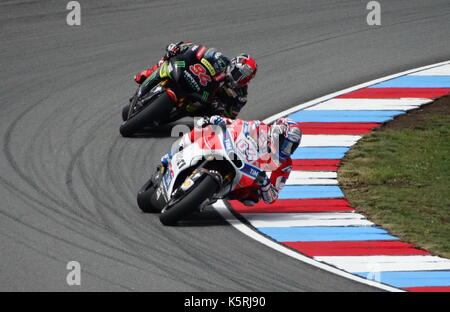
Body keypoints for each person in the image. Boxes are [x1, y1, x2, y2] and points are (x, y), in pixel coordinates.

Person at [161, 115, 302, 206]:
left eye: (291, 147)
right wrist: (220, 120)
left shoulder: (285, 165)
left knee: (252, 199)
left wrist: (265, 185)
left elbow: (272, 197)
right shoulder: (259, 127)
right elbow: (238, 124)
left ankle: (211, 195)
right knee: (207, 127)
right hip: (229, 151)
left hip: (246, 175)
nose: (286, 149)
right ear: (277, 132)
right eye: (285, 143)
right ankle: (172, 154)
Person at [133, 41, 257, 118]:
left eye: (244, 79)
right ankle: (149, 73)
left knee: (206, 120)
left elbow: (231, 117)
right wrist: (178, 48)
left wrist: (220, 110)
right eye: (238, 75)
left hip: (203, 104)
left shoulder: (241, 95)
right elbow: (197, 49)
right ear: (233, 65)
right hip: (191, 79)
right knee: (170, 57)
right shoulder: (220, 59)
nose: (239, 80)